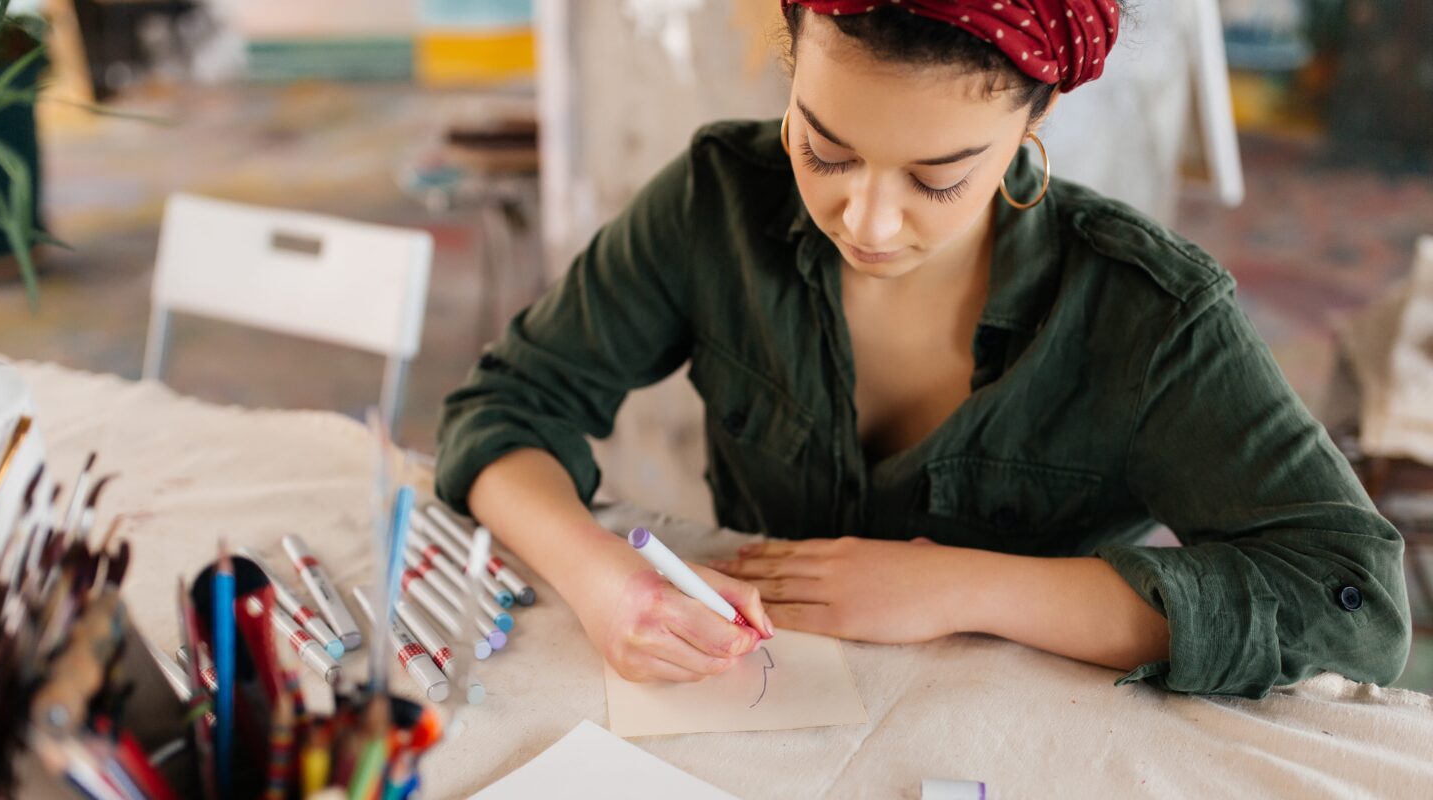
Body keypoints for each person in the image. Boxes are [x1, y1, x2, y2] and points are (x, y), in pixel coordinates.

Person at [435, 0, 1411, 697]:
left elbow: (1353, 600)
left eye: (937, 180)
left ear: (1037, 117)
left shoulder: (1144, 313)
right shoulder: (717, 202)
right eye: (822, 148)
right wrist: (606, 579)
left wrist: (963, 585)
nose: (864, 219)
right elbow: (506, 410)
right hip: (761, 725)